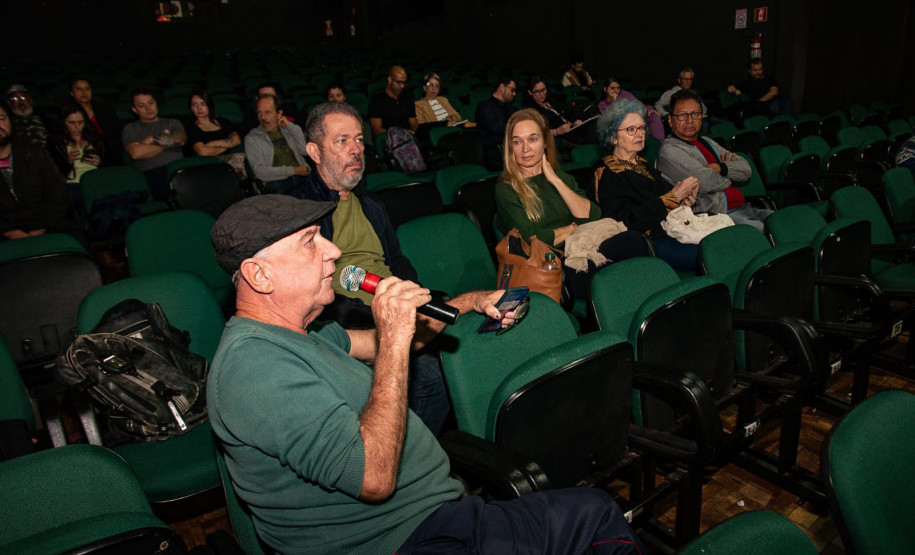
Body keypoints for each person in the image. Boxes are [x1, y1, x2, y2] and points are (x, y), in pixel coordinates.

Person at [207, 192, 644, 554]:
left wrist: (470, 301)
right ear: (259, 274)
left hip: (441, 516)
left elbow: (392, 344)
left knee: (597, 514)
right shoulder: (253, 368)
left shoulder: (306, 335)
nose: (334, 250)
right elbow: (373, 477)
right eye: (309, 242)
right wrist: (395, 334)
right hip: (395, 542)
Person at [288, 102, 447, 433]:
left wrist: (414, 296)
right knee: (432, 372)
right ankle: (402, 463)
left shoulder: (372, 204)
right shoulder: (299, 212)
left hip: (394, 304)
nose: (356, 150)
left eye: (359, 140)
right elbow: (307, 292)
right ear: (315, 152)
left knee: (464, 344)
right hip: (348, 319)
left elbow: (397, 261)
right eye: (342, 141)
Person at [495, 108, 649, 299]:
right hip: (553, 265)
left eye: (533, 139)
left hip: (583, 248)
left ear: (544, 142)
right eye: (517, 142)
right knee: (615, 274)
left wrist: (555, 181)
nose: (525, 148)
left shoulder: (560, 177)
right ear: (510, 147)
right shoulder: (506, 189)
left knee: (634, 241)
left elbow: (592, 215)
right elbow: (531, 237)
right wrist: (570, 229)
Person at [589, 99, 700, 271]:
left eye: (641, 128)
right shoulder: (608, 174)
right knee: (710, 253)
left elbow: (664, 199)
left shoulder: (643, 164)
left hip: (670, 231)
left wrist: (683, 201)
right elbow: (622, 223)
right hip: (649, 245)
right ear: (613, 138)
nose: (639, 134)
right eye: (631, 130)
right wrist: (670, 199)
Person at [656, 89, 772, 231]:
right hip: (718, 216)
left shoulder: (707, 142)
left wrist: (720, 168)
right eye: (682, 115)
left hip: (745, 206)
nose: (690, 120)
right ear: (670, 120)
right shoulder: (669, 150)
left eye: (695, 114)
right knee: (768, 233)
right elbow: (705, 183)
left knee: (785, 224)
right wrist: (732, 175)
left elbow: (746, 169)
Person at [0, 103, 80, 242]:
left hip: (45, 225)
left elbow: (57, 195)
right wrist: (15, 234)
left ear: (10, 121)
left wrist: (38, 230)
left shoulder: (35, 153)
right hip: (5, 232)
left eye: (1, 119)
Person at [121, 86, 186, 199]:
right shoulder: (131, 129)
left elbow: (179, 140)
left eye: (151, 103)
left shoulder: (172, 122)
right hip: (152, 174)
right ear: (134, 110)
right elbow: (136, 153)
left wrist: (151, 140)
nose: (148, 108)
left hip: (180, 170)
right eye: (141, 106)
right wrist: (167, 142)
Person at [244, 94, 310, 194]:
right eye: (259, 113)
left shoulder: (288, 131)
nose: (262, 117)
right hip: (277, 183)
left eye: (267, 112)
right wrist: (293, 170)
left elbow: (304, 151)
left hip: (302, 177)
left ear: (279, 113)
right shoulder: (252, 138)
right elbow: (259, 171)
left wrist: (290, 126)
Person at [48, 103, 105, 201]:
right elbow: (53, 172)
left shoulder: (95, 139)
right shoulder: (56, 143)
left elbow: (111, 163)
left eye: (80, 122)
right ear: (63, 122)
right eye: (72, 123)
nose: (77, 126)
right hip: (73, 185)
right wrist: (68, 162)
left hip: (97, 181)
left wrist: (100, 163)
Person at [69, 78, 122, 165]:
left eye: (87, 89)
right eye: (79, 89)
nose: (84, 92)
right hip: (85, 152)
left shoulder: (104, 109)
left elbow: (116, 133)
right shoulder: (69, 114)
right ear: (72, 93)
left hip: (109, 151)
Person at [524, 75, 583, 153]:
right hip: (555, 137)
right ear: (530, 92)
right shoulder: (530, 110)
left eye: (543, 90)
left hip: (568, 132)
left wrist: (573, 123)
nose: (541, 94)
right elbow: (536, 132)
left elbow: (563, 115)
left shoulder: (551, 101)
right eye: (537, 91)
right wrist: (557, 131)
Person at [598, 77, 665, 141]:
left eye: (618, 88)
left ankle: (659, 143)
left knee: (653, 115)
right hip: (622, 126)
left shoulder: (624, 94)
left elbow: (640, 105)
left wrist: (649, 109)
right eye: (612, 88)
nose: (616, 91)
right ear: (605, 89)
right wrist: (615, 100)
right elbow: (613, 120)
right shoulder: (602, 104)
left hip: (636, 118)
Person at [475, 75, 518, 169]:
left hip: (510, 149)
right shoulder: (485, 106)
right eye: (512, 90)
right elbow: (495, 129)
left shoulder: (510, 108)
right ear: (502, 87)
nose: (514, 94)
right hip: (496, 153)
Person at [186, 89, 241, 157]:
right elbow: (203, 152)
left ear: (209, 105)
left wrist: (213, 144)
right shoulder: (191, 128)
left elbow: (237, 140)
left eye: (203, 104)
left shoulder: (223, 121)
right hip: (207, 163)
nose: (199, 108)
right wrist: (227, 146)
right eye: (194, 105)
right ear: (191, 108)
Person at [367, 65, 418, 136]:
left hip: (407, 138)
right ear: (390, 80)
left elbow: (414, 125)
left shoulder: (407, 98)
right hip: (388, 139)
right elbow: (376, 130)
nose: (402, 86)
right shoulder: (377, 100)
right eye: (399, 82)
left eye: (404, 83)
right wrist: (400, 134)